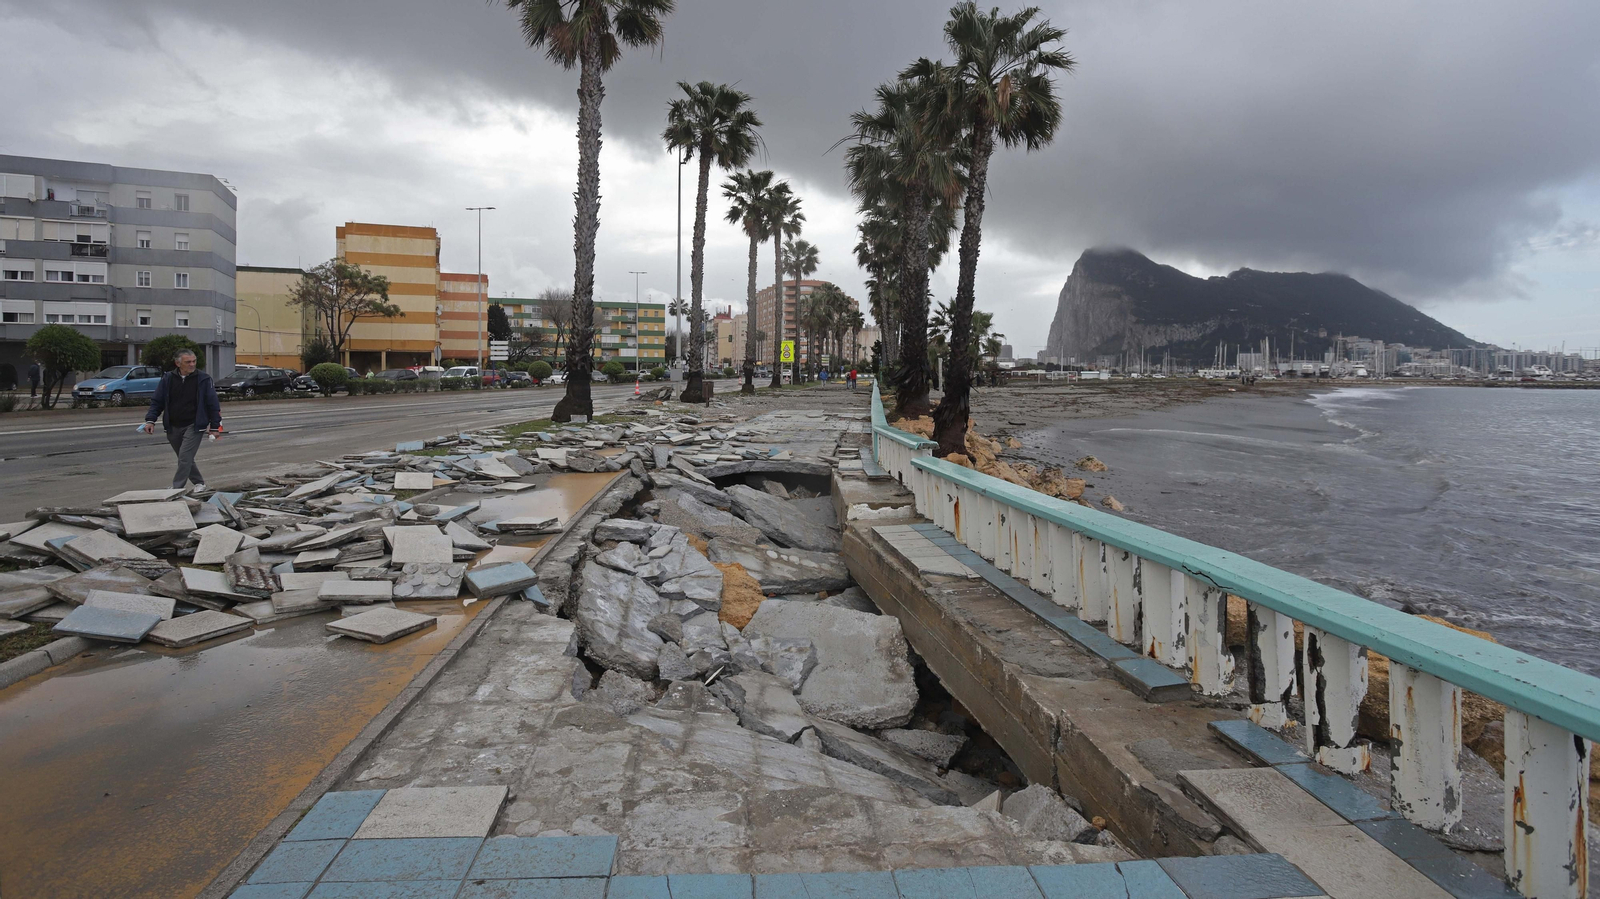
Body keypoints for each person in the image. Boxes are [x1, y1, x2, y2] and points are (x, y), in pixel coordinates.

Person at [141, 350, 222, 491]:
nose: (192, 364)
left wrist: (214, 427)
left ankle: (177, 487)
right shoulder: (168, 378)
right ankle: (200, 483)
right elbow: (157, 401)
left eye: (194, 361)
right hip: (173, 426)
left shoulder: (203, 379)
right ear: (178, 363)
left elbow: (213, 404)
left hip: (194, 425)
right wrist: (150, 420)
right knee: (185, 458)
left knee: (184, 457)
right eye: (188, 362)